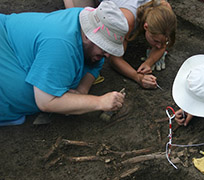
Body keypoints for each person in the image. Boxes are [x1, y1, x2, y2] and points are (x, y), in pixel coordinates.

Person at [0, 1, 129, 126]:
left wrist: (82, 91)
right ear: (87, 37)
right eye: (104, 47)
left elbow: (95, 64)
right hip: (5, 42)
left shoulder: (86, 21)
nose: (107, 56)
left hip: (14, 41)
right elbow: (46, 102)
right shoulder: (61, 44)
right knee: (23, 94)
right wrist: (99, 102)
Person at [63, 0, 177, 89]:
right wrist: (137, 77)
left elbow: (163, 44)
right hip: (124, 7)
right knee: (78, 20)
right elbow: (115, 59)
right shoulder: (126, 21)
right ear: (146, 26)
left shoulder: (165, 10)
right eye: (156, 41)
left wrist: (149, 62)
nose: (159, 46)